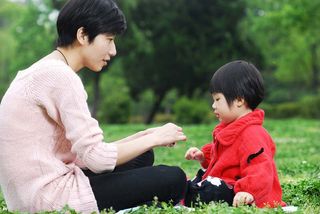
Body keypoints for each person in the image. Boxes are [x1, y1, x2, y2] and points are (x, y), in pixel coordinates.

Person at [0, 0, 187, 213]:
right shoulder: (61, 77)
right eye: (109, 39)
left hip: (32, 194)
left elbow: (83, 154)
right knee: (173, 178)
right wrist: (156, 138)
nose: (113, 50)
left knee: (143, 154)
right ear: (82, 35)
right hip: (50, 199)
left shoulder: (45, 70)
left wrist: (144, 137)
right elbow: (96, 159)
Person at [183, 60, 286, 208]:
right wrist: (204, 155)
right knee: (200, 182)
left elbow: (261, 168)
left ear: (239, 100)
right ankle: (187, 190)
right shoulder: (231, 128)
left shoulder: (253, 133)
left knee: (211, 191)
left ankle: (187, 194)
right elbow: (225, 157)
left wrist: (248, 191)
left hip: (244, 193)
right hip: (227, 184)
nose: (213, 105)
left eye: (217, 99)